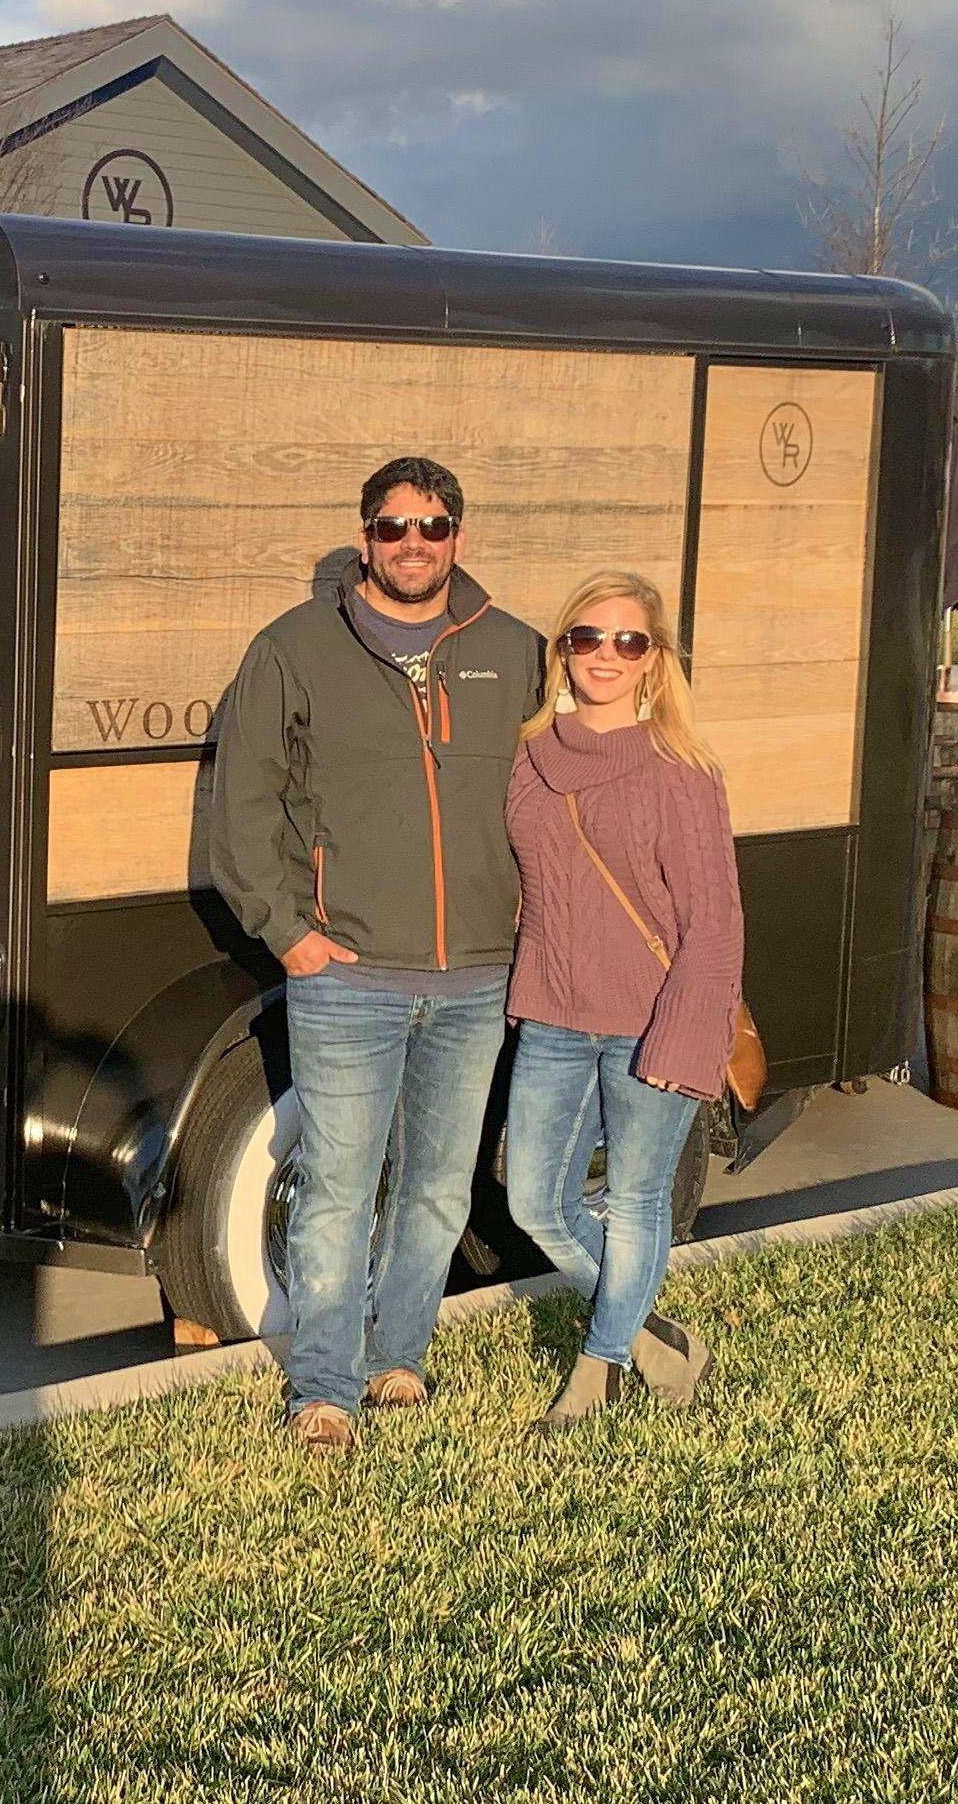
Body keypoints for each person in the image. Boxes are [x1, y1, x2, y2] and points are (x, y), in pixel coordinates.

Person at [207, 455, 543, 1454]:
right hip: (345, 974)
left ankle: (399, 1355)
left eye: (431, 526)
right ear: (364, 538)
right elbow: (244, 806)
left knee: (440, 1184)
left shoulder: (514, 650)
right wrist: (289, 932)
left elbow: (566, 791)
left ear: (458, 538)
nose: (412, 544)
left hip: (477, 974)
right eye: (392, 527)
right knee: (337, 1188)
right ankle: (321, 1388)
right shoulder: (294, 649)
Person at [502, 570, 743, 1429]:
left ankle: (597, 1370)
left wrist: (686, 1038)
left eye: (628, 640)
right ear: (563, 648)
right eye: (587, 637)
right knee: (533, 1199)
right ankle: (648, 1332)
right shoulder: (532, 754)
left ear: (653, 660)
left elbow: (714, 918)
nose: (606, 654)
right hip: (555, 1015)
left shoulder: (679, 769)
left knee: (637, 1199)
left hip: (651, 1021)